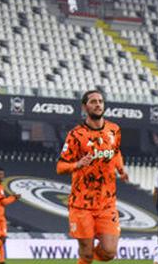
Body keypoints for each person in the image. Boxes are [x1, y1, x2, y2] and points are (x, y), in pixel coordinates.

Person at [56, 90, 128, 264]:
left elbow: (116, 152)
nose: (98, 104)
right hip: (81, 204)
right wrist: (77, 165)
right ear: (84, 106)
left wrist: (121, 168)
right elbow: (60, 167)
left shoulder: (114, 130)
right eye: (93, 101)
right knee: (87, 255)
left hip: (107, 203)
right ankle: (85, 257)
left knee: (110, 252)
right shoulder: (75, 135)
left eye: (101, 101)